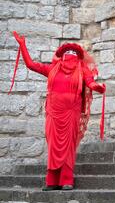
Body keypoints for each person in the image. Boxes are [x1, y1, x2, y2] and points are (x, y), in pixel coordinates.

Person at [11, 31, 106, 191]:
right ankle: (52, 181)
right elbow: (31, 65)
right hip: (54, 112)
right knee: (53, 145)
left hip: (71, 112)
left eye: (74, 52)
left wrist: (98, 87)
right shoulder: (52, 69)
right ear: (61, 55)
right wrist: (22, 45)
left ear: (78, 56)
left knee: (68, 145)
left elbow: (90, 83)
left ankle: (66, 180)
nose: (70, 54)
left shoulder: (83, 70)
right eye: (67, 52)